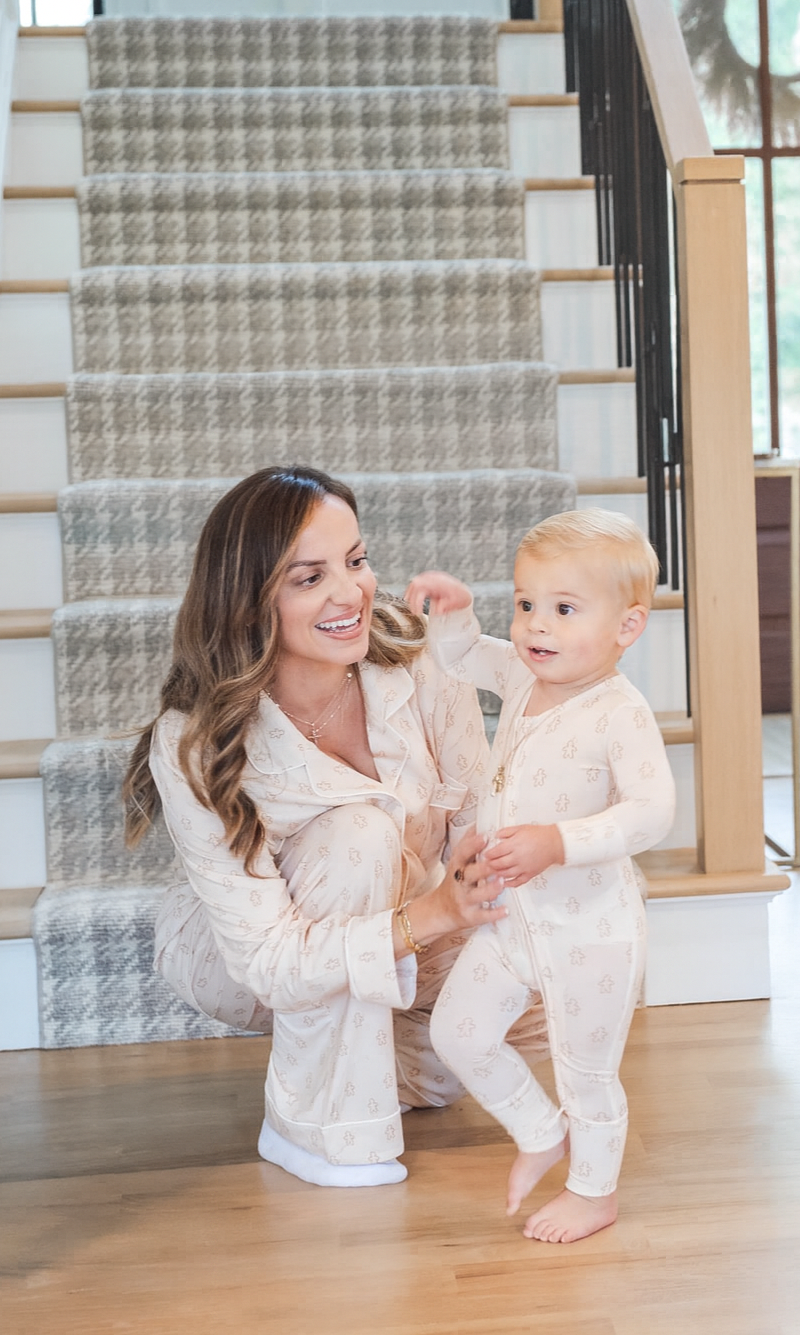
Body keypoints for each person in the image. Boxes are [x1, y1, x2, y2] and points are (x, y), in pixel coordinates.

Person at [123, 465, 546, 1189]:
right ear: (249, 600)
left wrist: (495, 880)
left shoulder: (416, 657)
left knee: (547, 983)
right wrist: (434, 914)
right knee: (359, 836)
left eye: (356, 561)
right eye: (308, 577)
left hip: (410, 912)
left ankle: (355, 1062)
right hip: (251, 957)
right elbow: (270, 959)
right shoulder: (191, 740)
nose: (350, 593)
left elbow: (479, 810)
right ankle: (316, 1133)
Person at [406, 509, 675, 1243]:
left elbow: (654, 813)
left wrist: (561, 840)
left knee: (585, 1071)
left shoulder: (618, 712)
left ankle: (595, 1192)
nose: (535, 627)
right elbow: (466, 657)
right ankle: (538, 1131)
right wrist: (455, 617)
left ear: (626, 628)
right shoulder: (526, 677)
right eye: (526, 604)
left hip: (592, 933)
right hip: (514, 921)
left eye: (562, 609)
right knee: (459, 1035)